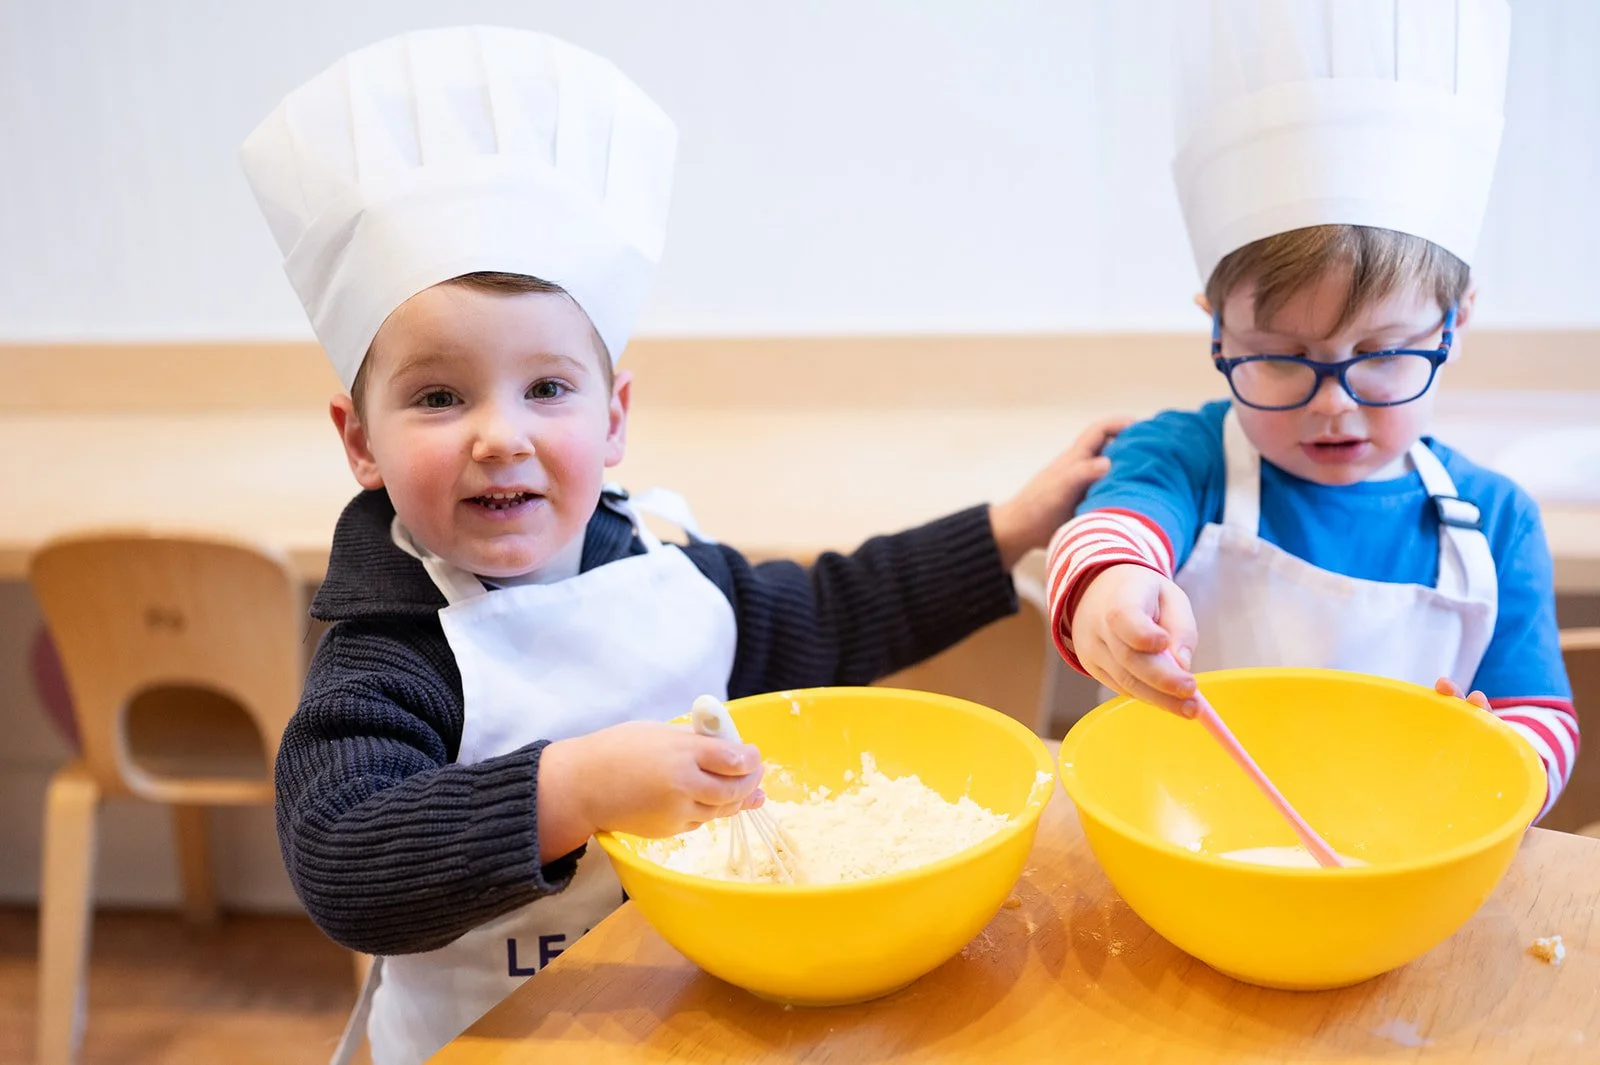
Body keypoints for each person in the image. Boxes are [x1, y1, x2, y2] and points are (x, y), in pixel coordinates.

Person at [241, 26, 1122, 1065]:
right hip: (484, 1041)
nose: (500, 435)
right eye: (439, 396)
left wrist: (1006, 530)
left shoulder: (666, 573)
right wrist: (570, 789)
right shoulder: (389, 654)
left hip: (674, 1019)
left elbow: (835, 613)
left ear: (613, 421)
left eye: (547, 389)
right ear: (361, 441)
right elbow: (344, 862)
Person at [1046, 0, 1575, 818]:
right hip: (1188, 843)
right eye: (1280, 359)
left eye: (1386, 354)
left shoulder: (1494, 522)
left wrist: (1500, 759)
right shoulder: (1189, 457)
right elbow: (1116, 525)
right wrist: (1114, 588)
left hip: (1401, 859)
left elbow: (1542, 717)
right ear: (1216, 327)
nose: (1334, 405)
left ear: (1455, 322)